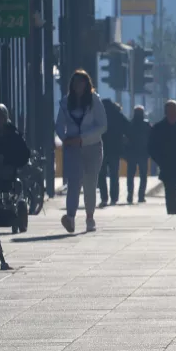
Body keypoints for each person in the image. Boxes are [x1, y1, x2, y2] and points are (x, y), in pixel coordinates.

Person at [56, 70, 107, 233]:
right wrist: (65, 139)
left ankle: (90, 217)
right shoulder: (65, 102)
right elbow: (59, 124)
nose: (78, 85)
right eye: (75, 82)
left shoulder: (94, 100)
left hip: (92, 146)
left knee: (90, 182)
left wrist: (83, 138)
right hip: (73, 148)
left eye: (82, 82)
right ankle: (70, 217)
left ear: (87, 84)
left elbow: (102, 125)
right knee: (74, 183)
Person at [97, 99, 129, 207]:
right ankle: (114, 197)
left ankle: (104, 198)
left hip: (101, 149)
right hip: (114, 150)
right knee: (114, 174)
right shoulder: (117, 115)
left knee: (101, 175)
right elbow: (128, 128)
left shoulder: (99, 115)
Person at [125, 105, 152, 204]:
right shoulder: (146, 124)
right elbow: (151, 138)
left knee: (130, 176)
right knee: (143, 176)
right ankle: (141, 196)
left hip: (132, 153)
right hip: (143, 153)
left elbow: (125, 138)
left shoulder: (130, 124)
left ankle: (130, 195)